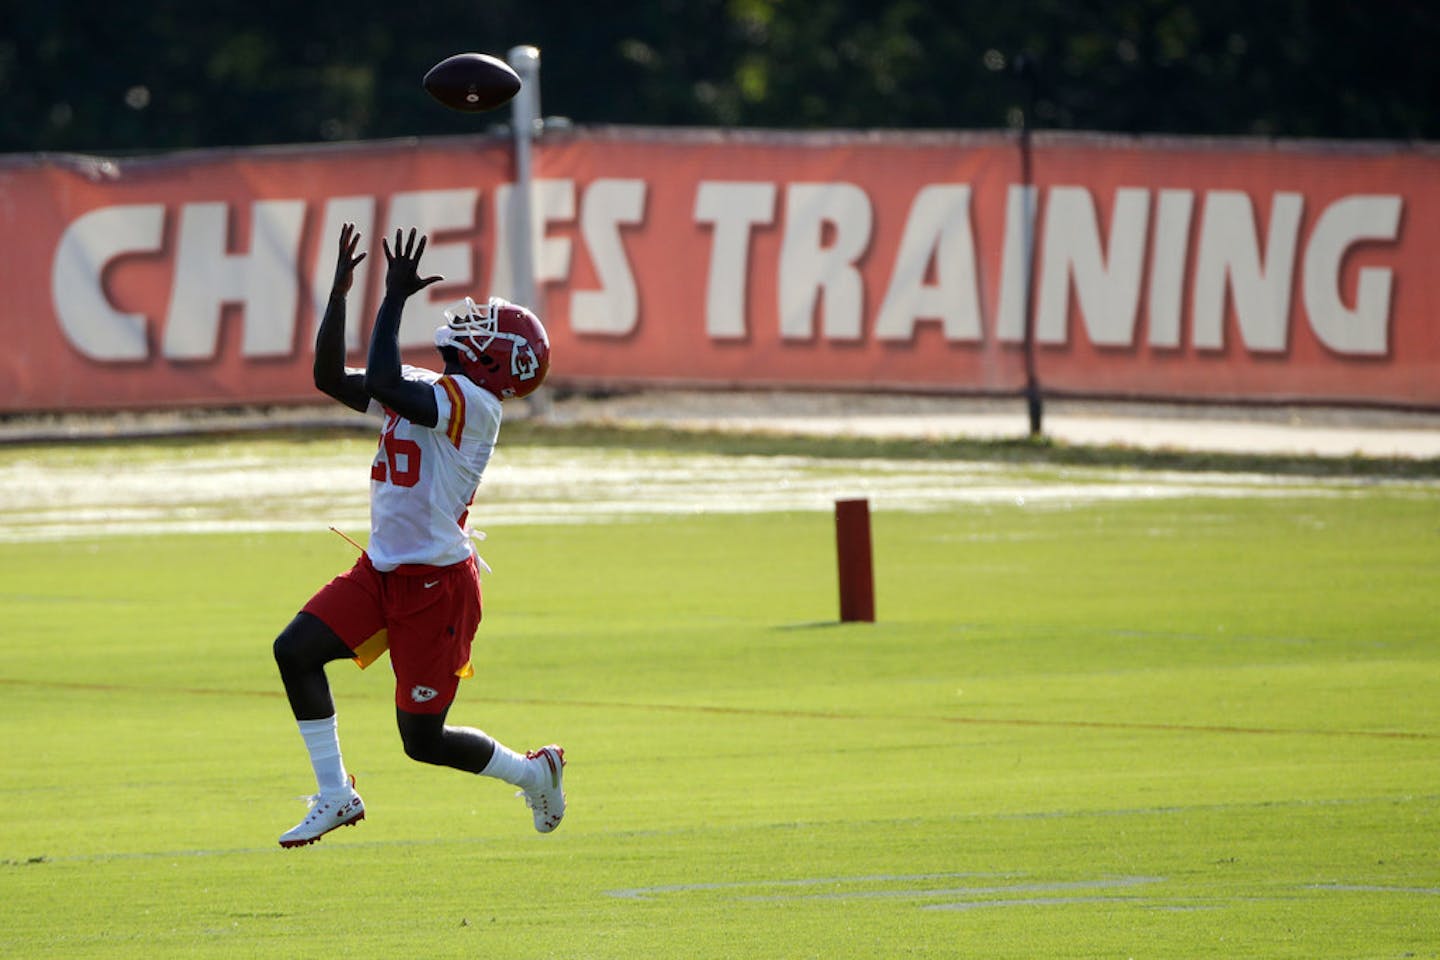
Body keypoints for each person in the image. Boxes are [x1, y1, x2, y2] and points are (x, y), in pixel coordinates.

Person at [271, 223, 563, 848]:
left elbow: (380, 382)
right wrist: (342, 291)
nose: (473, 321)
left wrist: (395, 295)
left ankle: (534, 772)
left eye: (488, 326)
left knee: (422, 742)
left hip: (435, 587)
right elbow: (331, 378)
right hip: (382, 571)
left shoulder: (476, 405)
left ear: (492, 358)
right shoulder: (435, 388)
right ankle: (335, 793)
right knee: (294, 650)